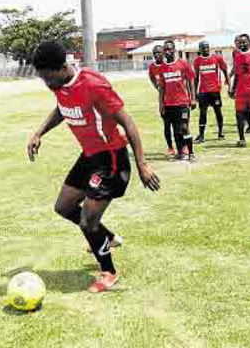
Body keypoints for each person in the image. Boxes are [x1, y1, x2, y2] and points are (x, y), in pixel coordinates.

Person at [27, 41, 160, 293]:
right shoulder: (58, 83)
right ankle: (107, 237)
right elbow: (62, 108)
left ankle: (108, 271)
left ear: (63, 67)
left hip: (110, 159)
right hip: (88, 157)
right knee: (64, 207)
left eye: (48, 76)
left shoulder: (93, 85)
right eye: (42, 77)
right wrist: (39, 132)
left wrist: (142, 165)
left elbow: (128, 124)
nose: (46, 83)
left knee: (88, 221)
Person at [158, 40, 196, 161]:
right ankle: (180, 152)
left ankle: (191, 152)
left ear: (174, 50)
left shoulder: (183, 63)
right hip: (169, 104)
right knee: (176, 130)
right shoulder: (163, 67)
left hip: (182, 103)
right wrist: (161, 104)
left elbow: (191, 81)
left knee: (184, 128)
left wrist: (193, 98)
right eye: (166, 50)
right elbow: (162, 88)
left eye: (170, 49)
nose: (168, 52)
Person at [193, 41, 230, 143]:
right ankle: (201, 135)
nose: (206, 49)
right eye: (203, 48)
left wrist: (229, 85)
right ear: (199, 50)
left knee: (218, 112)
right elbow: (196, 78)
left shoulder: (217, 58)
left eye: (207, 47)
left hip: (215, 91)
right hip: (203, 92)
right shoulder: (197, 61)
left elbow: (225, 71)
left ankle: (221, 132)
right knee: (202, 113)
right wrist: (194, 93)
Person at [148, 44, 174, 157]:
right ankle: (170, 147)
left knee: (179, 126)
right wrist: (158, 89)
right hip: (163, 98)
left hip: (176, 99)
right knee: (167, 125)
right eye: (155, 53)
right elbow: (152, 78)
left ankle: (183, 146)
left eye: (159, 52)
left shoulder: (167, 64)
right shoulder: (152, 67)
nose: (157, 55)